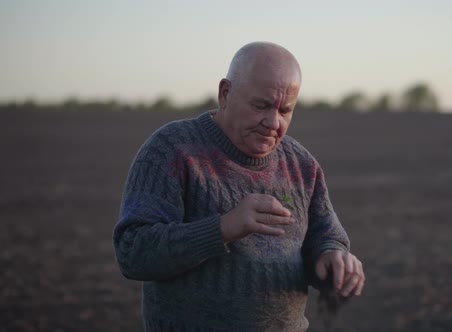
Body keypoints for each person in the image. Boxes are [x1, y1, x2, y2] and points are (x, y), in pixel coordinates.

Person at [113, 41, 365, 331]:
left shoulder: (302, 165)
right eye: (261, 105)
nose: (273, 122)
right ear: (225, 93)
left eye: (285, 110)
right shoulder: (172, 150)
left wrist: (333, 259)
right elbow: (132, 253)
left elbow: (325, 238)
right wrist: (222, 228)